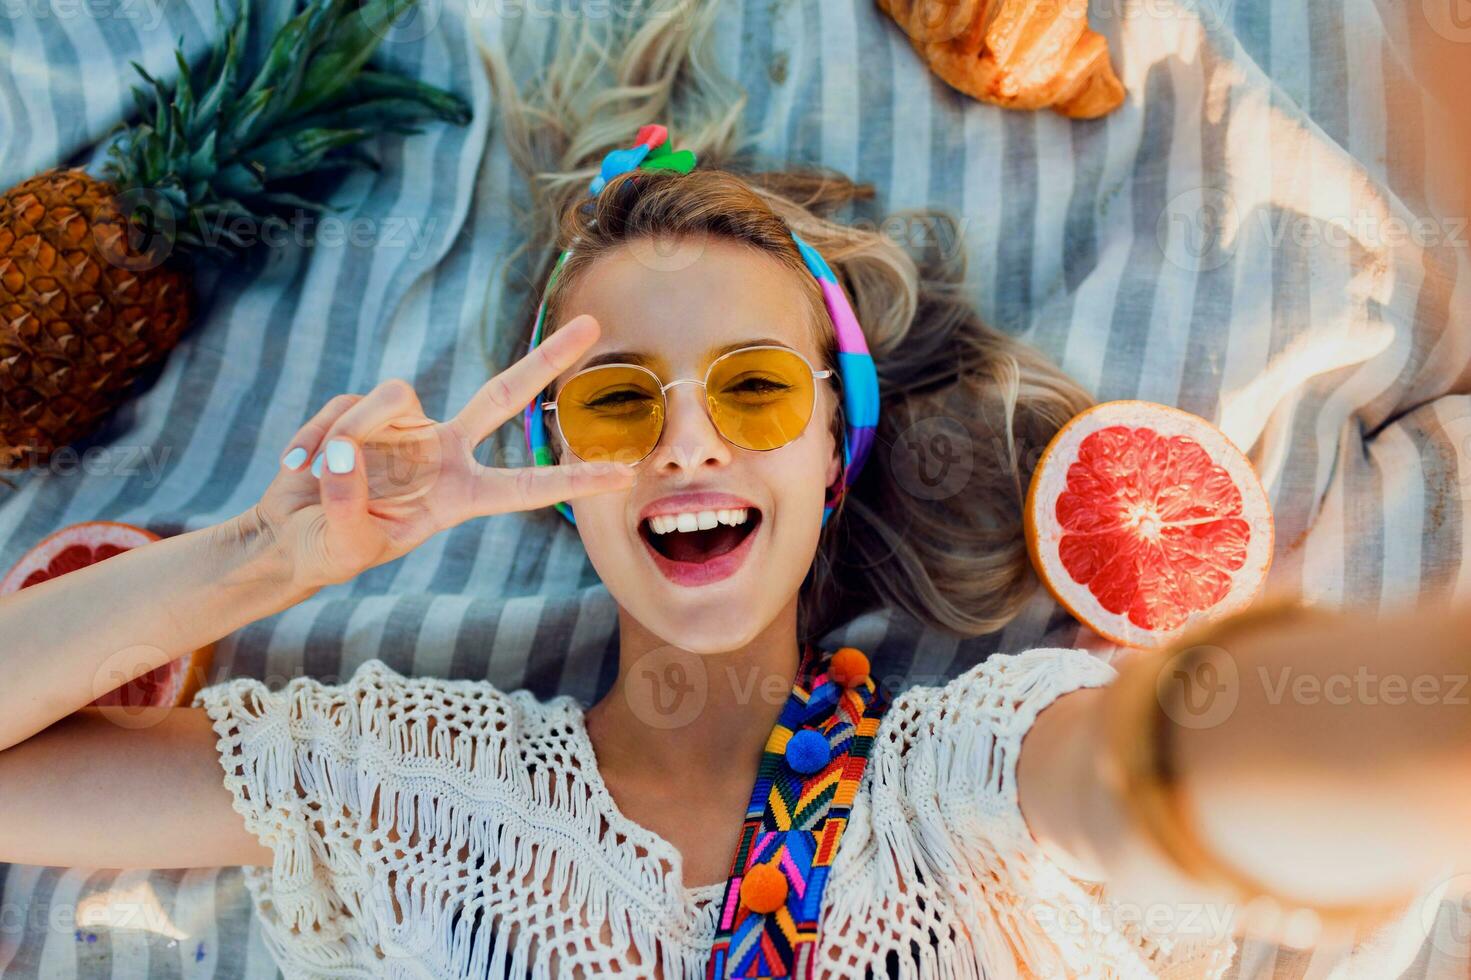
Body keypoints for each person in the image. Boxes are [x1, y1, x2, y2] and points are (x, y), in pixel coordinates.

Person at [3, 17, 1470, 980]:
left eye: (755, 390)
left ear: (833, 450)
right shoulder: (420, 787)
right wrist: (274, 553)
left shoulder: (977, 775)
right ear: (556, 488)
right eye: (621, 400)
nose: (686, 443)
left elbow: (1192, 770)